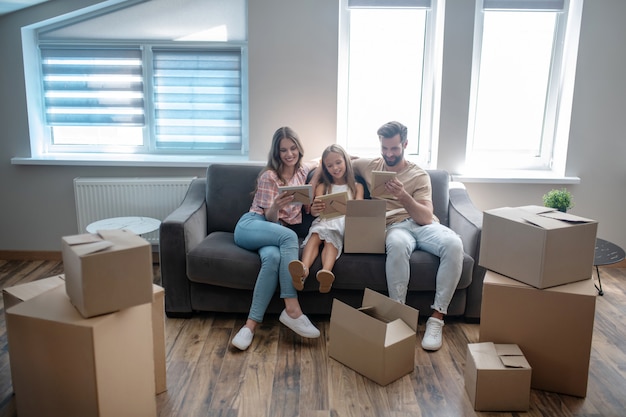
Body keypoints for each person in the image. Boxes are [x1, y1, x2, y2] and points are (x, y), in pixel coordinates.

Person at [351, 121, 464, 351]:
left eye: (394, 148)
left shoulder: (418, 175)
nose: (389, 154)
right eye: (384, 148)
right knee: (396, 243)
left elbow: (425, 216)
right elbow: (340, 160)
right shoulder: (371, 165)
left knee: (454, 243)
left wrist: (403, 196)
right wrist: (313, 168)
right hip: (395, 227)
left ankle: (437, 318)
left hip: (423, 225)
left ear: (405, 144)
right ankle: (398, 317)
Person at [231, 126, 321, 351]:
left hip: (273, 235)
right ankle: (292, 309)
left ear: (298, 149)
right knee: (290, 237)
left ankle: (249, 327)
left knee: (272, 259)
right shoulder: (269, 176)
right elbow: (269, 218)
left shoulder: (301, 171)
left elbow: (319, 161)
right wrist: (275, 206)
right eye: (283, 150)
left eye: (293, 148)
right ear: (276, 152)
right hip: (253, 224)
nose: (289, 154)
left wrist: (352, 159)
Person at [289, 144, 364, 293]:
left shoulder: (357, 186)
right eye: (329, 165)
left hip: (342, 224)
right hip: (324, 220)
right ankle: (303, 271)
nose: (335, 168)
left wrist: (352, 206)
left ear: (346, 162)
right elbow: (316, 210)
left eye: (338, 162)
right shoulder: (323, 186)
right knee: (315, 236)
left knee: (331, 240)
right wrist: (315, 210)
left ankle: (326, 273)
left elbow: (359, 209)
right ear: (325, 168)